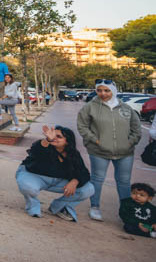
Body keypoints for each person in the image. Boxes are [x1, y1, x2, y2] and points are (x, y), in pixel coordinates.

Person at [76, 78, 141, 222]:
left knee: (124, 181)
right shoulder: (90, 107)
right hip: (99, 151)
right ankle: (94, 207)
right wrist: (95, 140)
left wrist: (130, 142)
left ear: (113, 90)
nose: (103, 94)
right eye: (99, 90)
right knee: (97, 179)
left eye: (107, 90)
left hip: (125, 152)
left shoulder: (125, 108)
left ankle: (126, 211)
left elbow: (136, 128)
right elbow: (82, 126)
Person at [15, 125, 94, 221]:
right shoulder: (45, 146)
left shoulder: (73, 154)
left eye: (59, 136)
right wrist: (48, 139)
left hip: (57, 181)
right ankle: (33, 207)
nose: (54, 138)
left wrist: (75, 181)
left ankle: (59, 207)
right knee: (28, 187)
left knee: (88, 189)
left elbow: (83, 172)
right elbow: (36, 150)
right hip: (34, 176)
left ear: (67, 141)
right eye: (53, 135)